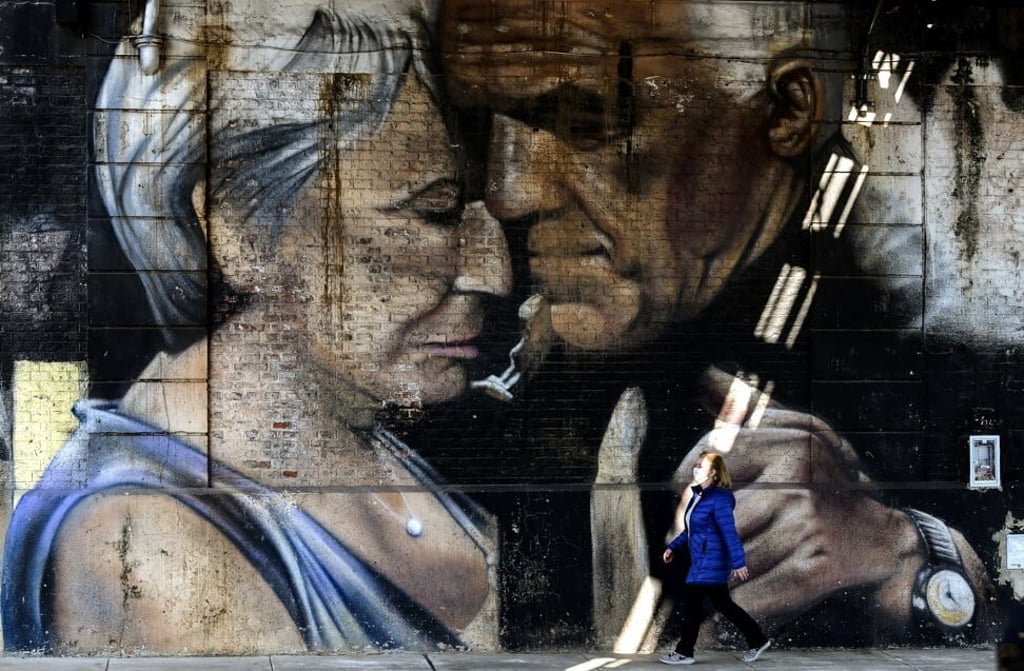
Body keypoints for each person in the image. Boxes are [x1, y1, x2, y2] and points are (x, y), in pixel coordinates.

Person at [438, 0, 996, 649]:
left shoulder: (932, 352)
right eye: (477, 128)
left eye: (586, 121)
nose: (506, 192)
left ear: (788, 113)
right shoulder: (502, 348)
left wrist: (904, 554)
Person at [2, 0, 511, 653]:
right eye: (434, 212)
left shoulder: (360, 436)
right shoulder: (141, 537)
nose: (494, 273)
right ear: (237, 230)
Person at [659, 451, 770, 665]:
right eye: (696, 465)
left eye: (701, 466)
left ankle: (684, 652)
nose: (696, 469)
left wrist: (739, 562)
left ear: (713, 472)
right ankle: (758, 640)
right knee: (724, 605)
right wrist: (673, 547)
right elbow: (691, 530)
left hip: (710, 562)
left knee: (693, 607)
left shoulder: (719, 499)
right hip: (703, 561)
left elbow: (729, 532)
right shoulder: (699, 496)